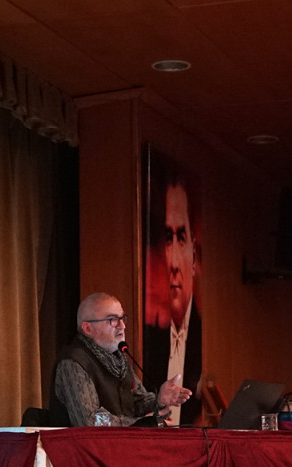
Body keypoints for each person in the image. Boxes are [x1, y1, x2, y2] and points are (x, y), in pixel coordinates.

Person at [49, 292, 190, 427]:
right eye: (113, 320)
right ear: (88, 328)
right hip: (84, 444)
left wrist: (159, 401)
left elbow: (138, 401)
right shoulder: (73, 363)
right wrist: (140, 424)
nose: (122, 325)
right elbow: (90, 420)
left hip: (123, 442)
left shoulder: (119, 359)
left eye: (122, 318)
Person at [144, 180, 203, 425]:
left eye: (181, 237)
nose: (175, 263)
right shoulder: (150, 340)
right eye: (168, 238)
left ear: (194, 256)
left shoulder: (200, 335)